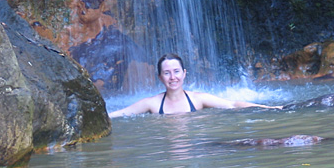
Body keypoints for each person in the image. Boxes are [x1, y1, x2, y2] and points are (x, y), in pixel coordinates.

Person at [109, 53, 282, 118]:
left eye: (176, 72)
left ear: (184, 73)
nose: (173, 77)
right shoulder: (151, 104)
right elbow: (122, 113)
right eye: (167, 73)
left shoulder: (198, 100)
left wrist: (268, 108)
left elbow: (233, 104)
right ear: (160, 77)